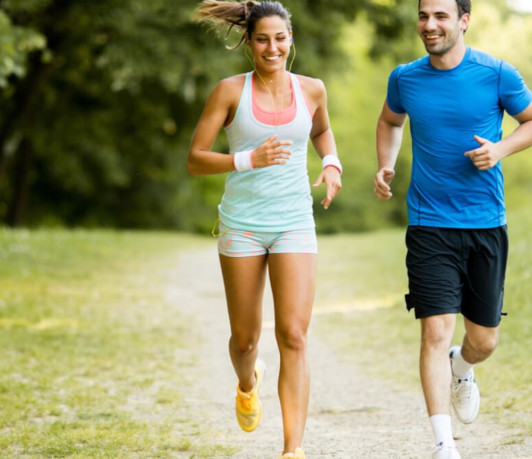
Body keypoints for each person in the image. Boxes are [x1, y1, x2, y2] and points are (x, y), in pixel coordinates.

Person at [373, 0, 532, 458]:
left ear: (463, 21)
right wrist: (386, 165)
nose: (429, 26)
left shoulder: (497, 74)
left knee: (483, 341)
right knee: (434, 331)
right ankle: (443, 443)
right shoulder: (404, 78)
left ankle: (463, 367)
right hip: (429, 225)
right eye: (424, 16)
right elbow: (391, 120)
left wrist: (501, 149)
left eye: (441, 16)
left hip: (485, 224)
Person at [188, 1, 342, 458]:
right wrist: (247, 159)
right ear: (249, 43)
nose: (271, 47)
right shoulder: (229, 92)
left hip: (295, 221)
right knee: (246, 339)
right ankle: (246, 379)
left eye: (280, 38)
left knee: (293, 334)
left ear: (290, 39)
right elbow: (196, 159)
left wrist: (331, 163)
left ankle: (292, 450)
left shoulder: (312, 90)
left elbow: (321, 132)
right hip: (243, 225)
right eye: (262, 39)